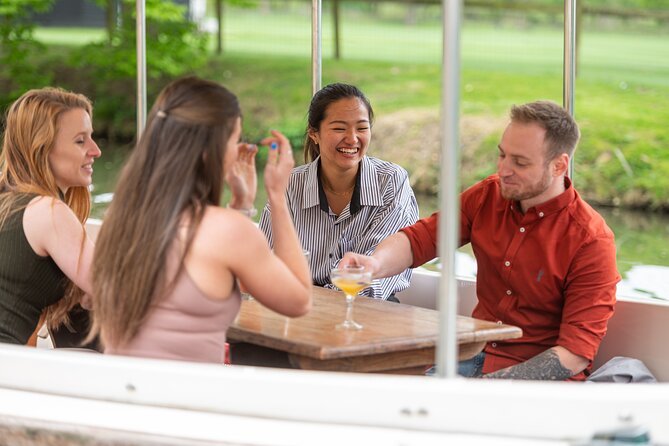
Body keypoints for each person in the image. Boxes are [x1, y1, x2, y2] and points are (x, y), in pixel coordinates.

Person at [341, 100, 620, 381]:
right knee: (384, 385)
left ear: (559, 165)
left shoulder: (591, 240)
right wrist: (373, 265)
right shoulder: (487, 195)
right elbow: (420, 240)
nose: (504, 169)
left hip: (541, 383)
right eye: (502, 155)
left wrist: (488, 388)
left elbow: (574, 354)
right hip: (473, 356)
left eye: (520, 162)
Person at [89, 76, 311, 363]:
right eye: (234, 139)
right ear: (210, 149)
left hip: (124, 394)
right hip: (188, 400)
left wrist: (241, 205)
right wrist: (278, 197)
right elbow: (299, 300)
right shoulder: (226, 232)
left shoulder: (124, 219)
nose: (237, 150)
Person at [259, 83, 418, 300]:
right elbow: (268, 265)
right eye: (339, 128)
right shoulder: (288, 186)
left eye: (362, 128)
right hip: (298, 308)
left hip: (368, 313)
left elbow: (371, 279)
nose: (352, 139)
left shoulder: (390, 182)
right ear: (314, 133)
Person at [0, 87, 100, 345]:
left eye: (92, 137)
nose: (96, 150)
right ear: (42, 148)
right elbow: (118, 289)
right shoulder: (48, 212)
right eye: (80, 141)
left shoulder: (10, 201)